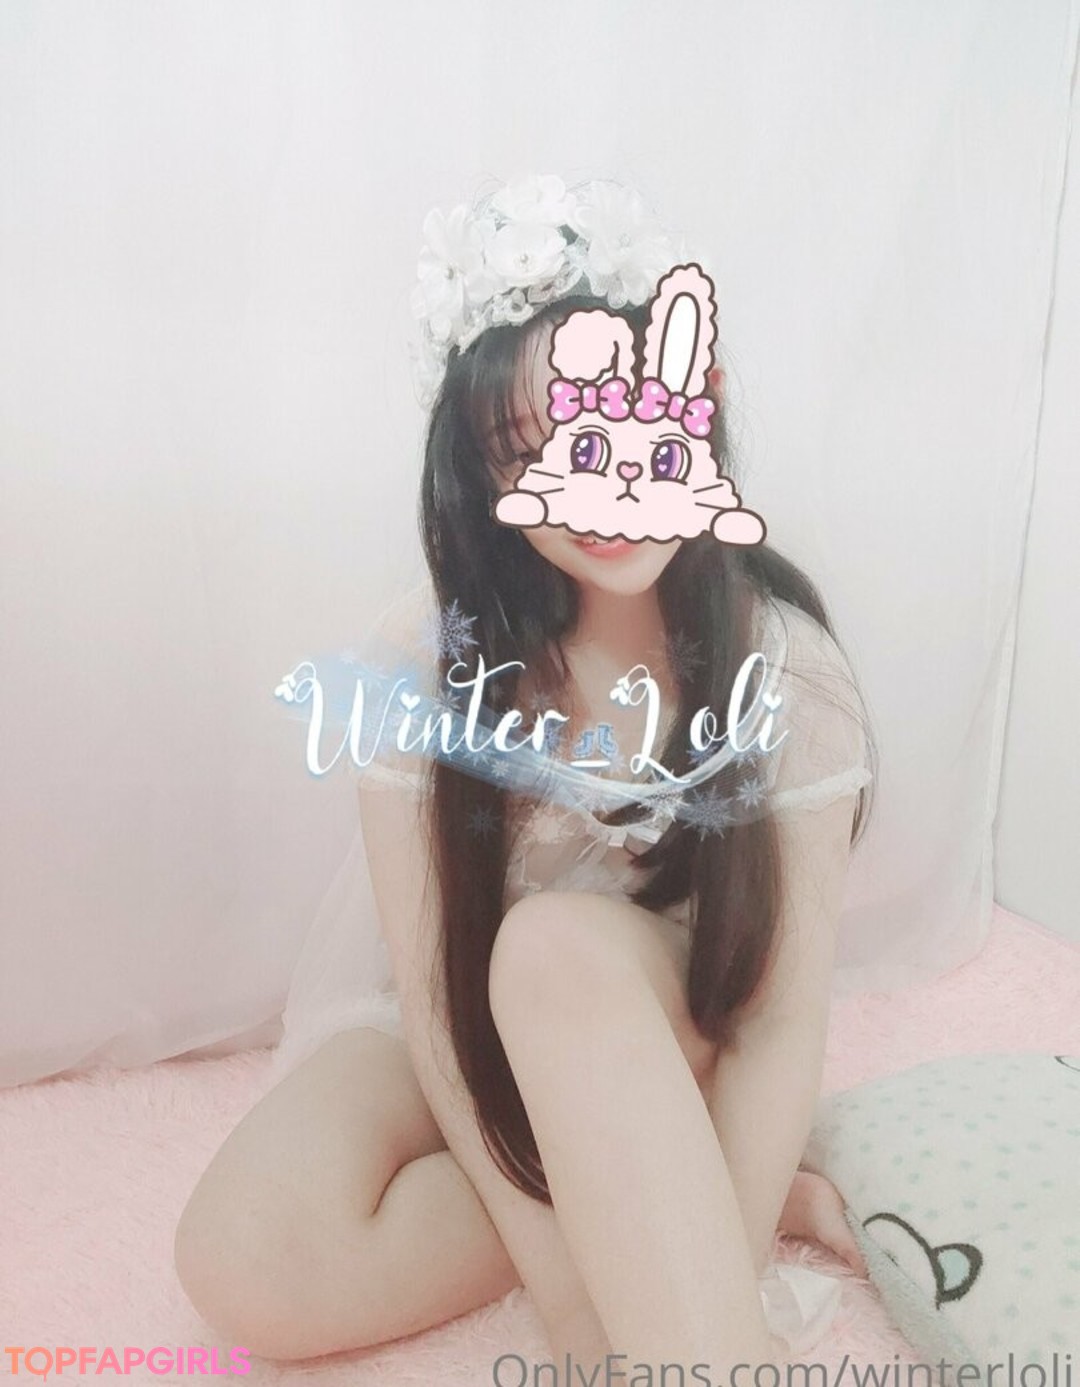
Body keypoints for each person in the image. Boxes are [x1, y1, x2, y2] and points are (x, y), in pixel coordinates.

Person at [174, 174, 877, 1373]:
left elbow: (779, 1018)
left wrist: (720, 1264)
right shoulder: (422, 665)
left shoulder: (785, 671)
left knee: (552, 946)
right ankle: (645, 1173)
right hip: (470, 1032)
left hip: (670, 1017)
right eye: (527, 450)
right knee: (248, 1257)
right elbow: (438, 1008)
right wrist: (576, 1312)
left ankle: (673, 1176)